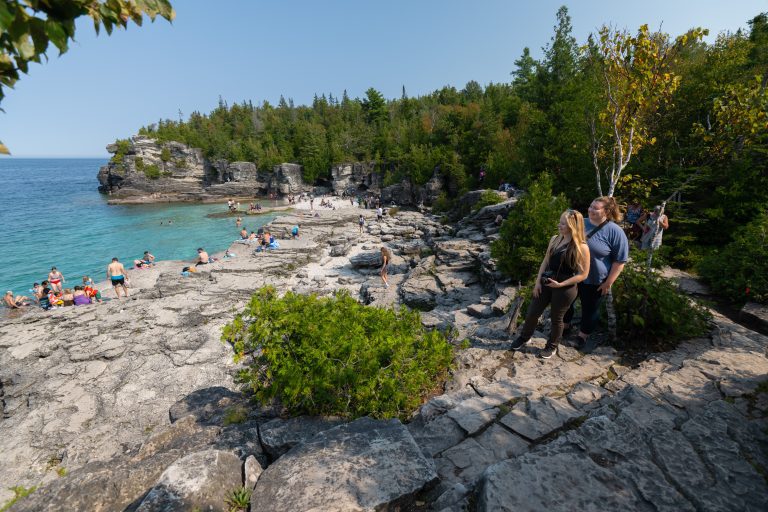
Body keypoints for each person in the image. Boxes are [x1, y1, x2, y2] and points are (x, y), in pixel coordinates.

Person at [510, 210, 591, 359]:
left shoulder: (581, 247)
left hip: (565, 287)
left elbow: (583, 274)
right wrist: (537, 283)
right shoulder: (555, 239)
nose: (559, 225)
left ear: (573, 226)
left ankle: (552, 346)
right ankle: (524, 337)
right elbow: (545, 261)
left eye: (563, 224)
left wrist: (561, 284)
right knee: (532, 312)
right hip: (546, 281)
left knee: (557, 318)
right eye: (560, 222)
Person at [563, 196, 629, 349]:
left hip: (595, 279)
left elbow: (620, 261)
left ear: (606, 211)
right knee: (566, 302)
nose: (590, 210)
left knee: (589, 309)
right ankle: (565, 327)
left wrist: (608, 282)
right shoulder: (581, 223)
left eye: (595, 208)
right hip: (572, 274)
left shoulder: (615, 232)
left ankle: (582, 337)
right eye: (590, 206)